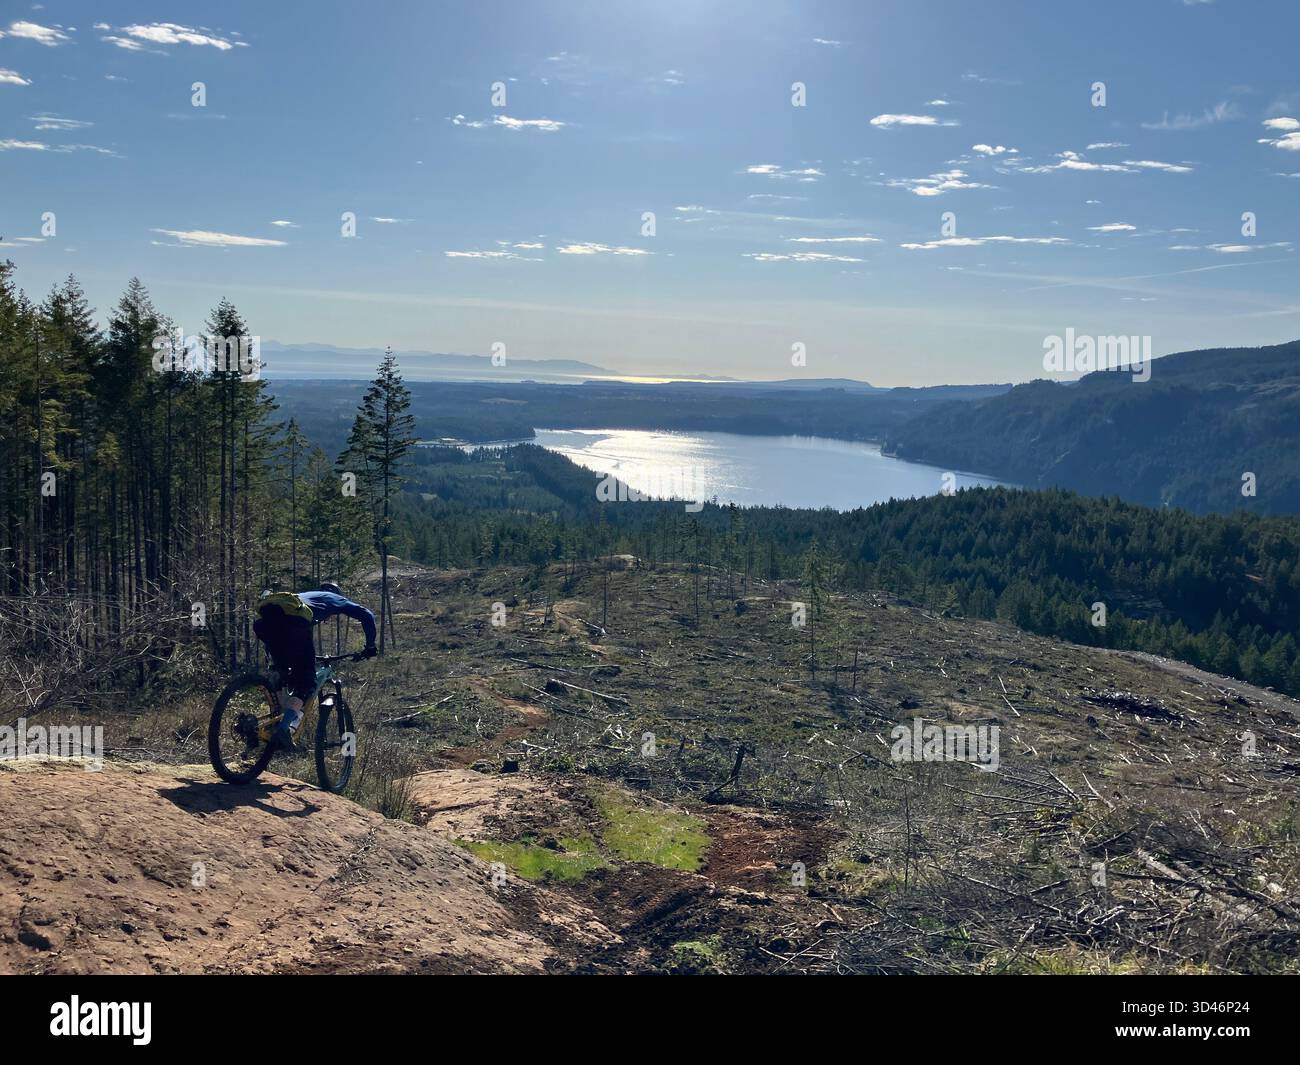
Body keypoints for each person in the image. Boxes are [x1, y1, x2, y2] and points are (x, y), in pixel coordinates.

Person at [253, 582, 377, 750]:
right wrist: (370, 647)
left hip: (264, 625)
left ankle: (269, 723)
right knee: (306, 683)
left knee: (284, 673)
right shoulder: (333, 598)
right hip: (292, 626)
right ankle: (283, 729)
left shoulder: (302, 597)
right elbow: (366, 614)